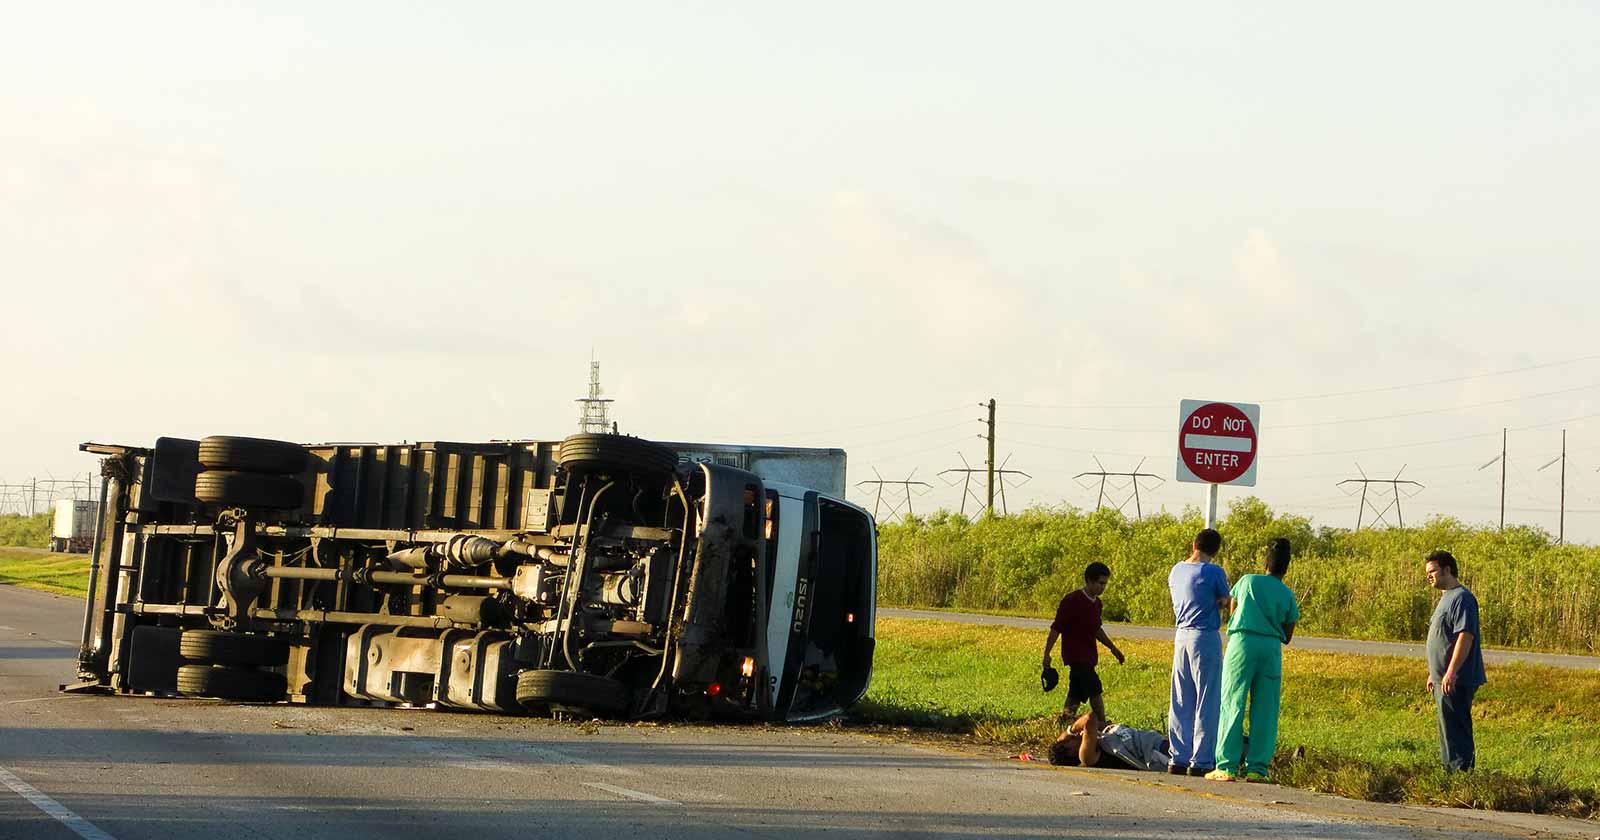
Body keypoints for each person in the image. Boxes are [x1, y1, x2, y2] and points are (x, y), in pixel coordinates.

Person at [1207, 538, 1299, 782]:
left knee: (1232, 702)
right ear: (1285, 568)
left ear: (1266, 563)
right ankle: (1257, 768)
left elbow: (1233, 611)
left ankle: (1225, 766)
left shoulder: (1247, 581)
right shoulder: (1288, 595)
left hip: (1242, 643)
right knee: (1266, 709)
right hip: (1270, 649)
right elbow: (1287, 635)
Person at [1166, 527, 1231, 777]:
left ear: (1194, 544)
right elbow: (1224, 599)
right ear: (1215, 551)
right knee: (1207, 699)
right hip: (1204, 636)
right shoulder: (1213, 571)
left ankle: (1178, 757)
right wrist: (1221, 602)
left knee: (1181, 698)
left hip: (1181, 635)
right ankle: (1202, 759)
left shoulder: (1177, 569)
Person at [1042, 562, 1126, 724]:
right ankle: (1103, 724)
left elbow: (1096, 630)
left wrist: (1113, 648)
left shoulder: (1097, 604)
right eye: (1100, 583)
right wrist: (1047, 654)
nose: (1103, 587)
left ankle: (1064, 721)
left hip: (1089, 656)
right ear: (1089, 580)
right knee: (1095, 688)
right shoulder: (1072, 600)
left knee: (1076, 693)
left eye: (1105, 584)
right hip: (1076, 656)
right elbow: (1056, 628)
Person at [1425, 550, 1486, 772]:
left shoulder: (1462, 598)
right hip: (1443, 678)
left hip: (1457, 679)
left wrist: (1451, 672)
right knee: (1447, 730)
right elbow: (1443, 638)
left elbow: (1465, 636)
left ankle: (1462, 776)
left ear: (1447, 569)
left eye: (1433, 571)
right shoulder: (1445, 598)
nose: (1429, 576)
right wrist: (1435, 672)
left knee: (1457, 729)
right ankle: (1449, 774)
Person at [1049, 712, 1172, 772]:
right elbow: (1089, 718)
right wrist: (1071, 730)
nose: (1075, 736)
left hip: (1154, 743)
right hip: (1152, 752)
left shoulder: (1101, 739)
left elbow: (1096, 724)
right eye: (1070, 740)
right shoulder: (1086, 756)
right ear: (1069, 752)